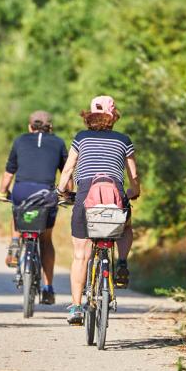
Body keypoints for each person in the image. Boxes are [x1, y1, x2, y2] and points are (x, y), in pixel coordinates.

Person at [56, 95, 140, 325]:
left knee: (80, 255)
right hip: (115, 198)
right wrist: (135, 190)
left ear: (89, 117)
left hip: (85, 198)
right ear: (114, 117)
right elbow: (133, 175)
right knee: (127, 224)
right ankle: (122, 261)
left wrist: (62, 191)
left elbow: (68, 169)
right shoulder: (124, 140)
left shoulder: (81, 138)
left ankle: (75, 307)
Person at [0, 110, 66, 305]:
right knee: (46, 240)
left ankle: (13, 243)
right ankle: (48, 287)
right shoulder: (58, 142)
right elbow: (66, 175)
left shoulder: (20, 141)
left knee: (17, 205)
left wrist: (3, 192)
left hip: (22, 191)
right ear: (50, 127)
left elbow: (9, 173)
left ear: (30, 126)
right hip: (46, 194)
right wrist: (67, 194)